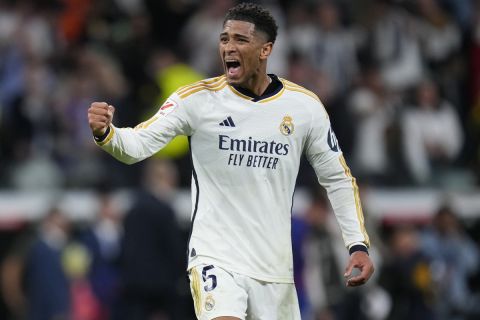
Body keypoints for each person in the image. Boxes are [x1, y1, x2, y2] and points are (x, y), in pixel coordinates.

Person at [87, 3, 374, 319]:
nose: (228, 47)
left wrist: (356, 244)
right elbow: (138, 144)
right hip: (216, 256)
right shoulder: (196, 100)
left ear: (265, 50)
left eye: (240, 40)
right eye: (224, 39)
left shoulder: (304, 107)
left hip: (273, 266)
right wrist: (108, 134)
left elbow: (337, 177)